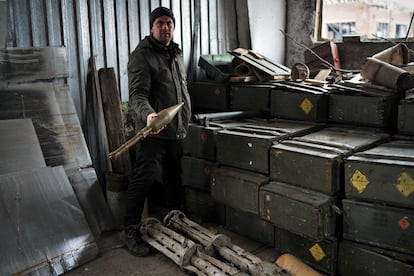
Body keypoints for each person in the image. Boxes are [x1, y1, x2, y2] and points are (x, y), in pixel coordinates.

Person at [120, 6, 191, 257]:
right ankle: (130, 228)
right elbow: (137, 94)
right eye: (160, 23)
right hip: (153, 131)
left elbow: (180, 91)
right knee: (144, 178)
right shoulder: (142, 55)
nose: (165, 27)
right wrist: (149, 115)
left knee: (174, 177)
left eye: (169, 23)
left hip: (176, 129)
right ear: (152, 27)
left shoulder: (176, 52)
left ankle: (175, 221)